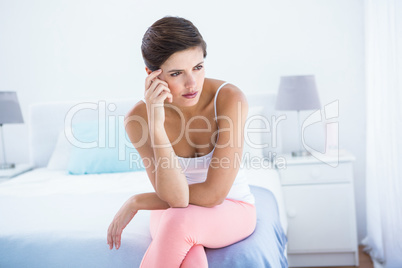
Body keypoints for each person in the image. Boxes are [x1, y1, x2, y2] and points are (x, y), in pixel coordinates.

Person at [107, 16, 256, 267]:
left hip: (232, 206)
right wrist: (156, 124)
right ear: (151, 75)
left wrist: (138, 200)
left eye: (198, 67)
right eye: (177, 73)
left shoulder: (230, 99)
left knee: (179, 222)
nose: (192, 84)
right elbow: (175, 199)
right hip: (169, 207)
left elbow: (213, 194)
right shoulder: (139, 119)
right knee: (190, 249)